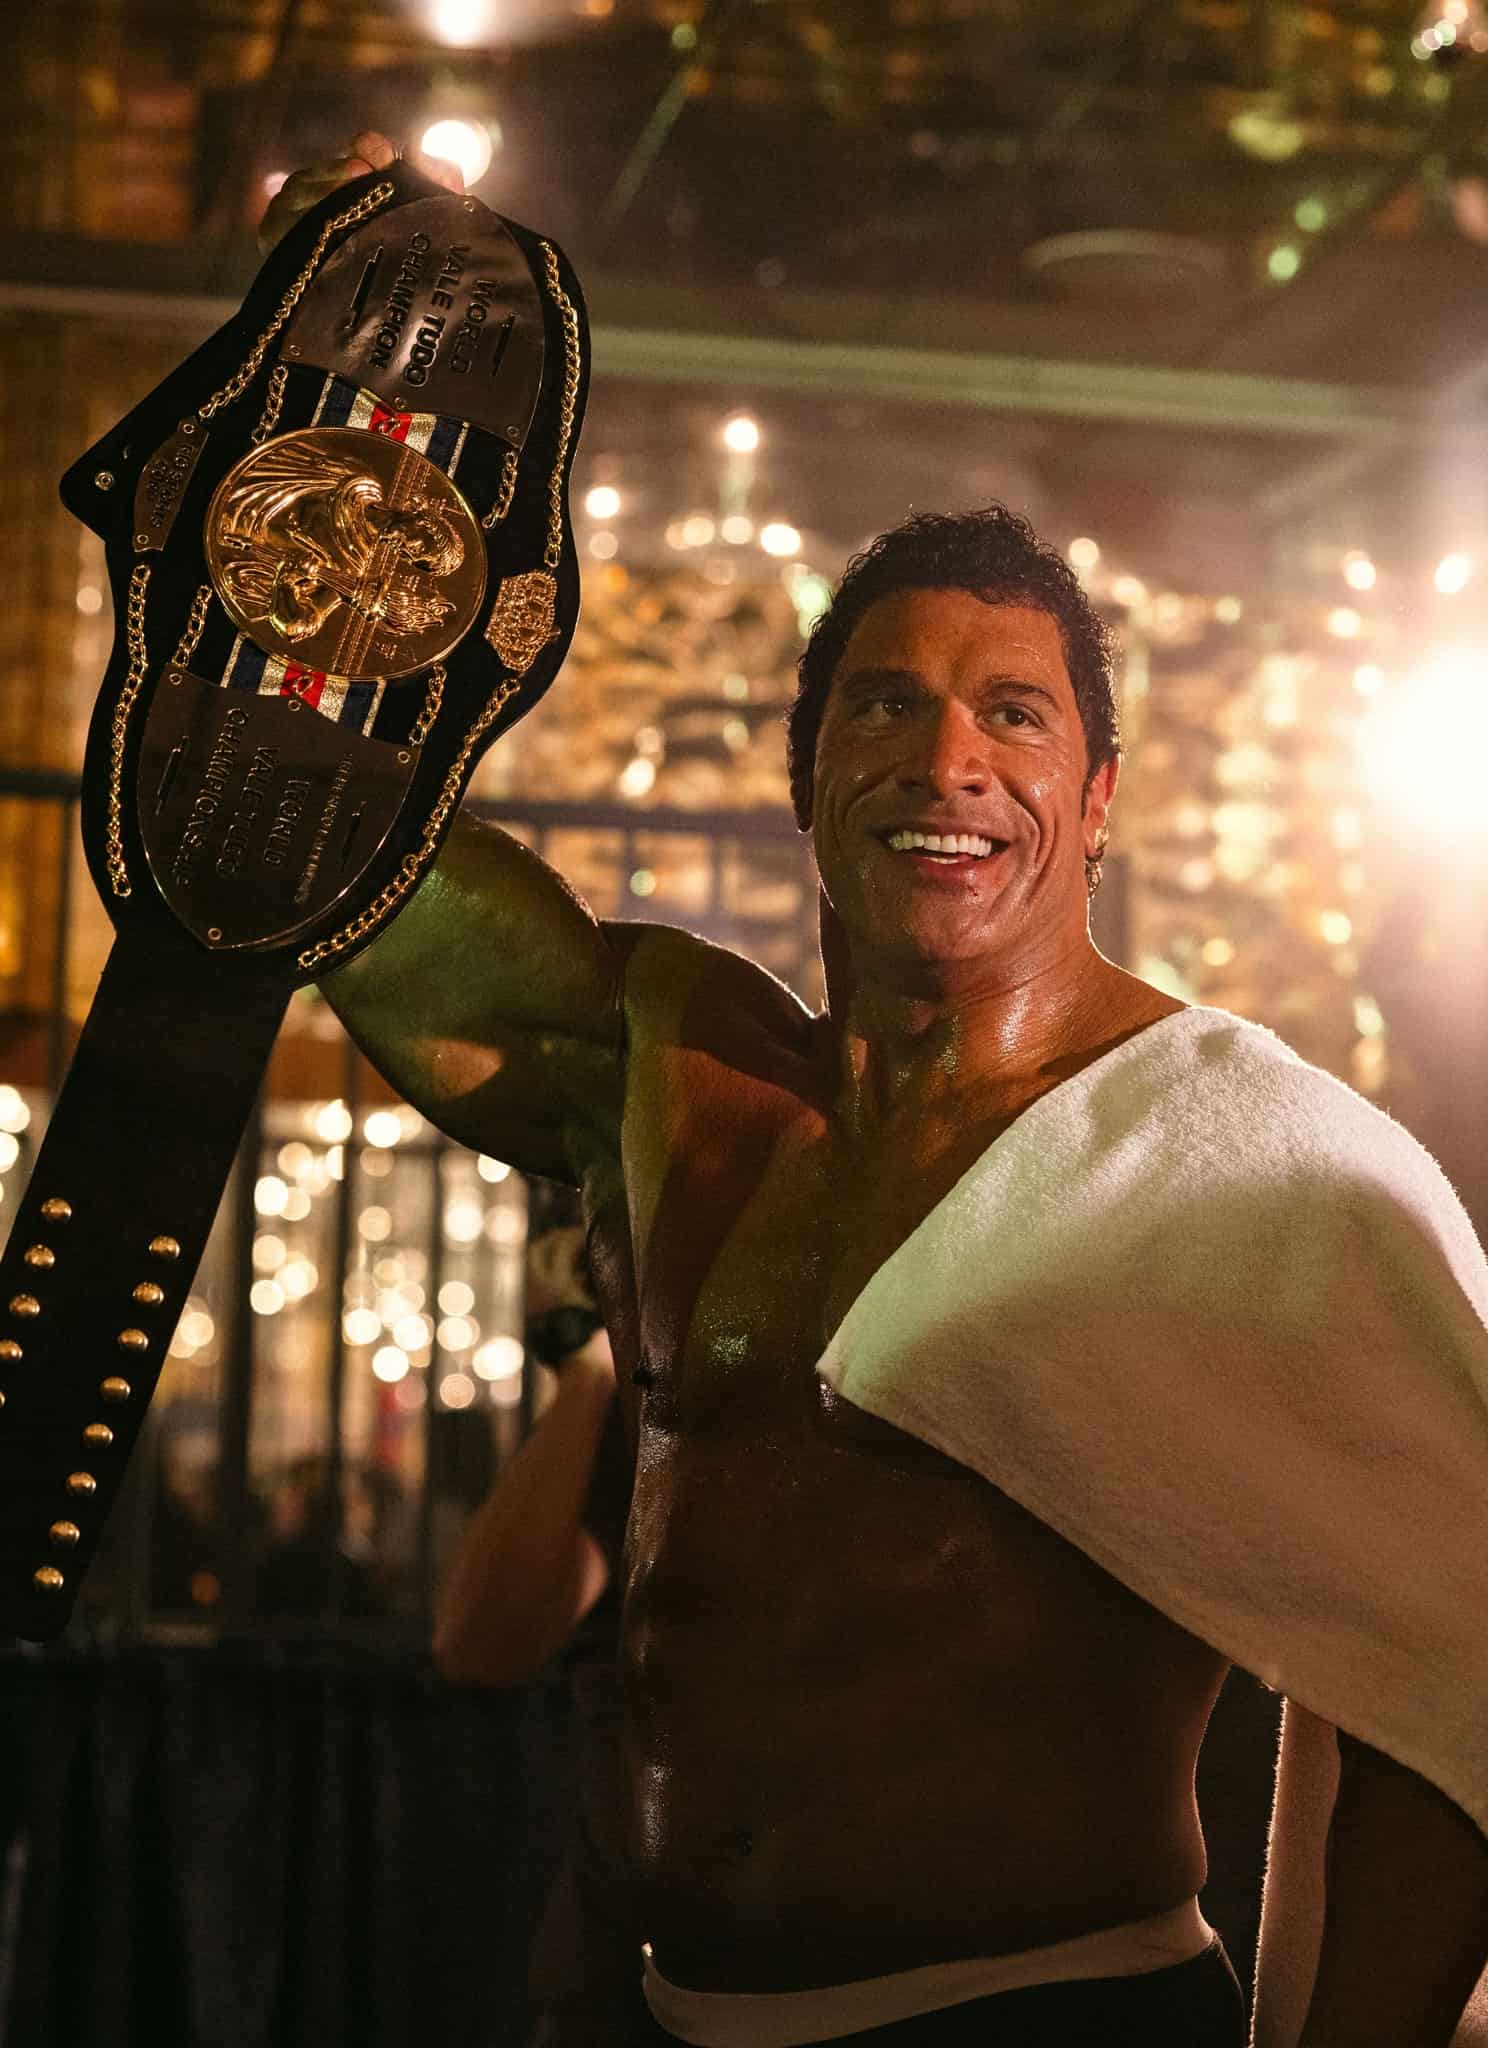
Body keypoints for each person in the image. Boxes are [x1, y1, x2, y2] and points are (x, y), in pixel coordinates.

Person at [266, 135, 1488, 2047]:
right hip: (661, 2006)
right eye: (886, 703)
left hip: (1046, 2015)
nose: (946, 756)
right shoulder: (680, 1077)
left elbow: (1454, 1677)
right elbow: (325, 859)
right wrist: (343, 416)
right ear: (806, 777)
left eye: (1014, 712)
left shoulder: (1233, 1164)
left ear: (1094, 801)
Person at [433, 1185, 646, 2046]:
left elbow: (478, 1641)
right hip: (640, 1943)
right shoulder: (631, 1427)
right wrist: (592, 1379)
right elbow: (479, 1641)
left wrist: (590, 1375)